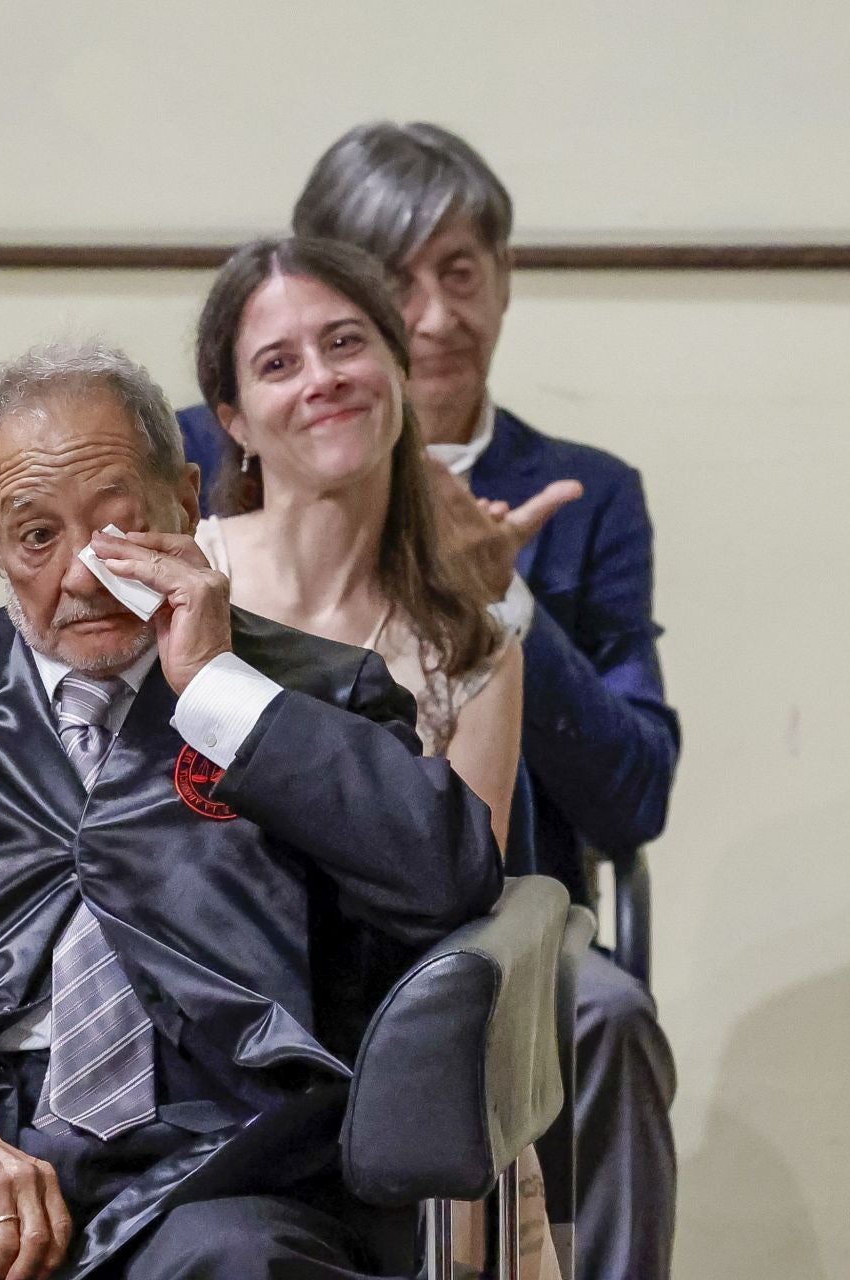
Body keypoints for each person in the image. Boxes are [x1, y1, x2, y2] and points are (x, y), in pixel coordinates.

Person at [0, 341, 503, 1280]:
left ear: (186, 502)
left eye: (118, 528)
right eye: (37, 537)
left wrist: (218, 690)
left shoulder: (317, 693)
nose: (82, 574)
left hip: (222, 1172)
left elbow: (448, 872)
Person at [293, 121, 681, 1280]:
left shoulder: (589, 494)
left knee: (607, 1015)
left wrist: (510, 609)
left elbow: (633, 795)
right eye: (397, 279)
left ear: (505, 282)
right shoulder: (234, 456)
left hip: (511, 916)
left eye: (462, 270)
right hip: (278, 904)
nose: (437, 311)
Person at [192, 234, 552, 1274]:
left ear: (396, 367)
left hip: (380, 1073)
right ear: (233, 421)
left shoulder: (471, 644)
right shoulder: (187, 582)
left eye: (347, 342)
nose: (323, 379)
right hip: (190, 1057)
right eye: (278, 362)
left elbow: (453, 916)